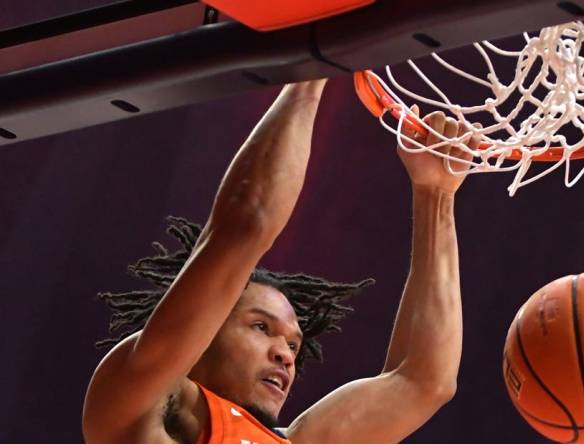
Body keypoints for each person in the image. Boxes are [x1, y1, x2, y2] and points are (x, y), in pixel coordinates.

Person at [82, 79, 479, 443]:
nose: (286, 355)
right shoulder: (141, 405)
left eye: (292, 344)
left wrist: (435, 194)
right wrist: (309, 75)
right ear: (202, 335)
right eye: (261, 326)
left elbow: (424, 380)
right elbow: (244, 228)